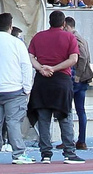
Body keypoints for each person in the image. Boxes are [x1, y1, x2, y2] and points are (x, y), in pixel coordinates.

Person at [27, 9, 84, 164]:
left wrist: (41, 68)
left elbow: (30, 56)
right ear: (64, 23)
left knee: (43, 118)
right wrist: (55, 68)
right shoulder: (69, 37)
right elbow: (73, 59)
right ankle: (69, 153)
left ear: (49, 22)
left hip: (42, 81)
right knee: (65, 117)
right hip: (61, 81)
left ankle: (46, 153)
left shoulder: (38, 37)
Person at [0, 12, 35, 165]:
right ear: (10, 26)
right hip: (14, 89)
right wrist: (27, 88)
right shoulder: (17, 43)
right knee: (13, 122)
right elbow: (26, 66)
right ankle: (18, 154)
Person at [63, 16, 93, 150]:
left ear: (67, 27)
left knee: (68, 109)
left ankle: (72, 140)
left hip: (76, 78)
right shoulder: (82, 38)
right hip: (82, 79)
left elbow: (83, 57)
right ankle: (79, 140)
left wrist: (78, 75)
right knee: (80, 109)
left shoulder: (75, 39)